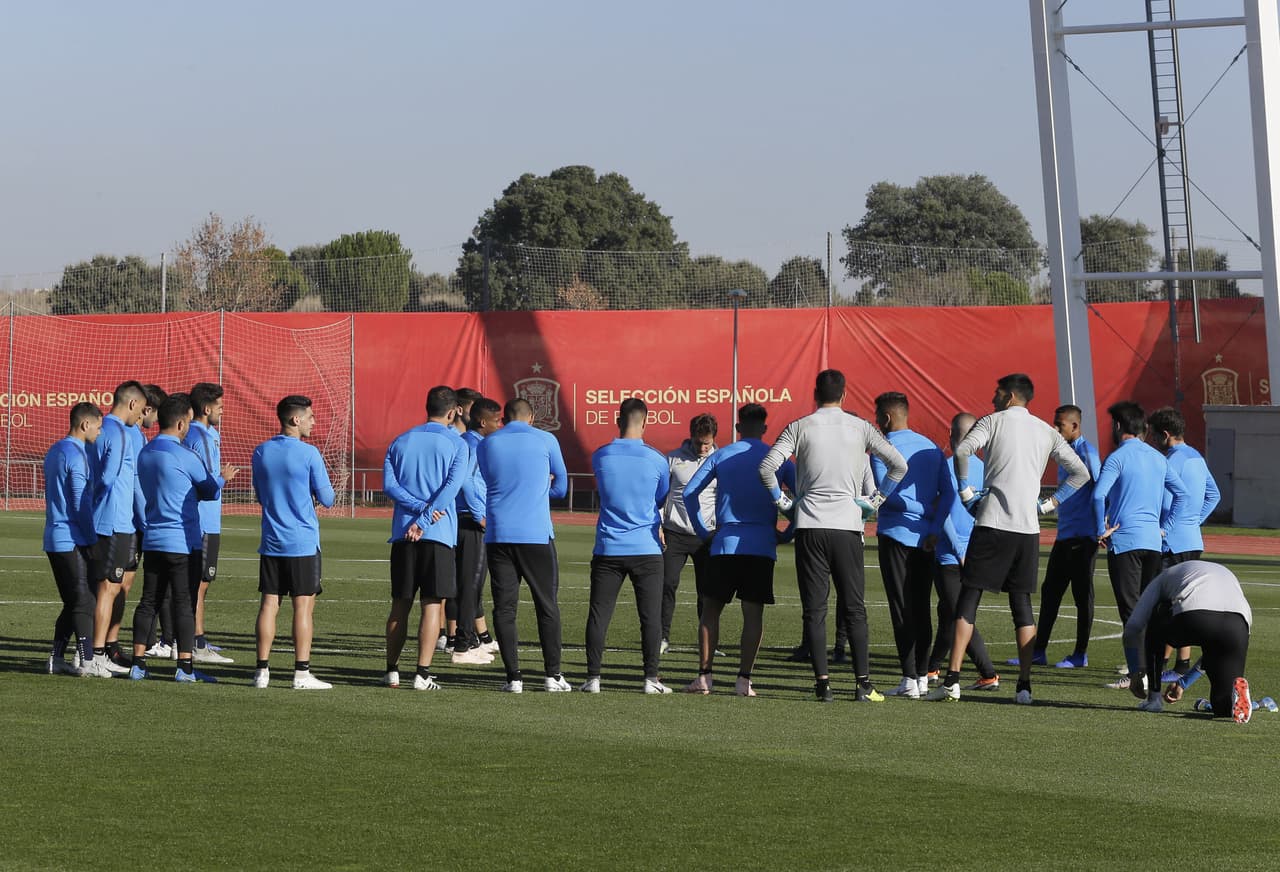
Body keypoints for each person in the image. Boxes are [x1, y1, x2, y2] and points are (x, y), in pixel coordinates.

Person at [926, 373, 1088, 705]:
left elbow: (962, 451)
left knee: (968, 600)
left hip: (991, 523)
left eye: (997, 392)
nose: (992, 396)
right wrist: (1049, 504)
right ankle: (1024, 686)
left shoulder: (992, 421)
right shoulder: (1046, 430)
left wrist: (966, 491)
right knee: (1022, 606)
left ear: (1011, 396)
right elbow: (1081, 473)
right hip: (1027, 528)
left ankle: (952, 680)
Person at [759, 369, 907, 703]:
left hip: (810, 526)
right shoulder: (860, 427)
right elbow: (899, 465)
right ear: (844, 395)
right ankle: (862, 683)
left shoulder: (800, 426)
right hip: (847, 527)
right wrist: (874, 502)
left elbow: (766, 468)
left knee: (815, 608)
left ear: (815, 394)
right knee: (854, 606)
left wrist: (784, 505)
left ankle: (823, 683)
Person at [681, 403, 793, 697]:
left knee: (710, 611)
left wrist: (703, 530)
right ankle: (744, 680)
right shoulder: (777, 458)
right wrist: (788, 532)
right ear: (765, 428)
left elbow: (691, 491)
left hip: (725, 544)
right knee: (753, 614)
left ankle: (705, 677)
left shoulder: (723, 454)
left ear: (738, 427)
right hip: (761, 546)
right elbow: (801, 498)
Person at [381, 385, 474, 691]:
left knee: (400, 605)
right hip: (438, 533)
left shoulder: (401, 440)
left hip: (403, 535)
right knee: (432, 605)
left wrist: (416, 512)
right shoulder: (458, 444)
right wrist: (425, 515)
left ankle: (391, 670)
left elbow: (390, 486)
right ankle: (422, 673)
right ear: (453, 411)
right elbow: (451, 488)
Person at [129, 394, 227, 682]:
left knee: (149, 601)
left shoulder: (145, 453)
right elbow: (210, 490)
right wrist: (221, 478)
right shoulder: (185, 455)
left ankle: (138, 663)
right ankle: (185, 667)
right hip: (184, 541)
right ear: (182, 422)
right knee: (184, 602)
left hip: (154, 538)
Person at [476, 398, 571, 693]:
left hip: (499, 533)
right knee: (547, 605)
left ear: (504, 418)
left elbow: (489, 479)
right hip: (536, 534)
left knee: (504, 608)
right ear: (531, 417)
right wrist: (543, 489)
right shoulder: (546, 439)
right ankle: (552, 675)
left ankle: (513, 678)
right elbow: (562, 486)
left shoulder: (488, 443)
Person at [1093, 401, 1188, 691]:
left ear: (1118, 426)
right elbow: (1182, 495)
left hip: (1125, 542)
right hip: (1153, 543)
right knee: (1150, 611)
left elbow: (1098, 496)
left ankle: (1139, 673)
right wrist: (1164, 529)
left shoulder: (1117, 457)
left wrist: (1100, 529)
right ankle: (1149, 672)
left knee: (1131, 613)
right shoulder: (1159, 458)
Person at [582, 398, 672, 694]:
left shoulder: (601, 456)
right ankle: (650, 679)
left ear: (617, 420)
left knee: (599, 614)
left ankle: (593, 678)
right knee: (650, 616)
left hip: (609, 547)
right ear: (645, 422)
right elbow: (660, 498)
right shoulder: (657, 459)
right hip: (646, 547)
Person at [251, 395, 336, 690]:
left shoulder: (261, 452)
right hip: (302, 541)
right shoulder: (309, 453)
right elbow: (328, 499)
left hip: (272, 540)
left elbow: (261, 496)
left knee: (269, 604)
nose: (314, 421)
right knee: (302, 608)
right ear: (295, 419)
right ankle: (301, 672)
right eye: (310, 416)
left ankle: (261, 671)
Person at [871, 392, 951, 699]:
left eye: (878, 417)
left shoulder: (882, 448)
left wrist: (909, 509)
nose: (876, 422)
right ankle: (920, 675)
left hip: (895, 534)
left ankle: (908, 678)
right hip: (926, 537)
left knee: (901, 606)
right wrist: (933, 526)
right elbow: (948, 493)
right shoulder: (931, 447)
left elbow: (884, 492)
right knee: (921, 606)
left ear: (887, 418)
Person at [1018, 404, 1102, 669]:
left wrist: (1101, 527)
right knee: (1050, 592)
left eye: (1060, 425)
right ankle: (1038, 651)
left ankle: (1080, 654)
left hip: (1084, 537)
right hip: (1065, 535)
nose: (1055, 429)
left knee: (1081, 596)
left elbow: (1101, 490)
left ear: (1075, 426)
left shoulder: (1088, 453)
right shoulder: (1064, 453)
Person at [1120, 560, 1252, 724]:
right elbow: (1213, 654)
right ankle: (1234, 701)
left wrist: (1135, 672)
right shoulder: (1222, 573)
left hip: (1195, 615)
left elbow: (1133, 628)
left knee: (1154, 619)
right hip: (1238, 625)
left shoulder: (1160, 579)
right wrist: (1183, 683)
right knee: (1223, 707)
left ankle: (1153, 699)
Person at [1148, 406, 1222, 680]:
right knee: (1185, 600)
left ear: (1165, 435)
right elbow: (1214, 496)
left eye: (1155, 436)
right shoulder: (1197, 457)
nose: (1153, 441)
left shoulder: (1171, 461)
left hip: (1172, 542)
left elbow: (1167, 500)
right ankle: (1181, 663)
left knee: (1166, 605)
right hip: (1192, 539)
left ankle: (1160, 663)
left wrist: (1166, 528)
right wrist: (1194, 520)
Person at [928, 413, 1000, 689]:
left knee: (960, 615)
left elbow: (942, 512)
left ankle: (988, 672)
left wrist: (959, 550)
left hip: (951, 555)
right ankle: (932, 667)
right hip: (978, 553)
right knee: (949, 611)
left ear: (950, 434)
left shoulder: (944, 467)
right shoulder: (987, 469)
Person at [104, 382, 165, 668]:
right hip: (123, 522)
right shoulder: (125, 433)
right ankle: (102, 646)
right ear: (143, 408)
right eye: (152, 412)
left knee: (120, 585)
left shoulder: (131, 433)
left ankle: (107, 644)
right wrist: (146, 519)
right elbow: (135, 484)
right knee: (113, 587)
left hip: (128, 521)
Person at [88, 380, 148, 674]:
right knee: (108, 589)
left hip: (103, 521)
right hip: (115, 522)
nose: (141, 418)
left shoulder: (98, 430)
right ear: (133, 404)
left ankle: (89, 651)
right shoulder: (120, 433)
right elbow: (111, 479)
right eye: (141, 411)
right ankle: (97, 654)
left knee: (98, 589)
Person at [43, 403, 103, 676]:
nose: (100, 433)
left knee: (73, 600)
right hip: (71, 537)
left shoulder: (55, 450)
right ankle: (87, 661)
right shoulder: (77, 456)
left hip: (54, 536)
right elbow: (80, 504)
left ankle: (56, 658)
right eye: (98, 427)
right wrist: (92, 541)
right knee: (85, 600)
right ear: (84, 425)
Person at [185, 382, 239, 663]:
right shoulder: (200, 437)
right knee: (199, 584)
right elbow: (204, 483)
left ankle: (186, 639)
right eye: (219, 406)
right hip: (204, 521)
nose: (223, 410)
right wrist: (222, 479)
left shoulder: (208, 433)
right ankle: (196, 642)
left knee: (199, 583)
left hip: (207, 519)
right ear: (206, 409)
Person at [448, 396, 502, 659]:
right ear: (483, 422)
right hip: (469, 520)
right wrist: (480, 514)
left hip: (463, 518)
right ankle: (463, 645)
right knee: (471, 584)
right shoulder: (473, 445)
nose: (500, 425)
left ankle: (469, 641)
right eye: (496, 420)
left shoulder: (470, 442)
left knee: (468, 583)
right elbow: (466, 481)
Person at [659, 413, 718, 654]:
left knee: (707, 590)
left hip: (706, 536)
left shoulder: (720, 459)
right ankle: (662, 638)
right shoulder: (673, 459)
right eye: (698, 442)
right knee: (667, 584)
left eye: (707, 443)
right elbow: (661, 495)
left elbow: (722, 498)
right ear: (691, 436)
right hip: (674, 533)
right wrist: (659, 524)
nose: (703, 448)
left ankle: (708, 642)